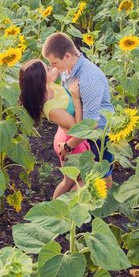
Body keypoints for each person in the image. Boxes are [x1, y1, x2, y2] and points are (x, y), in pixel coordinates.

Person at [41, 32, 115, 187]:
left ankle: (78, 207)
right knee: (85, 180)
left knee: (102, 180)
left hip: (98, 135)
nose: (53, 68)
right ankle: (74, 208)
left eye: (54, 63)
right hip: (78, 132)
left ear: (67, 56)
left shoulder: (88, 79)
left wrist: (68, 146)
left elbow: (91, 126)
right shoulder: (68, 69)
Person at [19, 58, 91, 199]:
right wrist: (76, 99)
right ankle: (66, 207)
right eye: (47, 68)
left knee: (69, 181)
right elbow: (78, 128)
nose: (51, 68)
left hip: (64, 136)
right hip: (72, 143)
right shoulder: (52, 109)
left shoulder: (48, 87)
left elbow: (57, 69)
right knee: (85, 178)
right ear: (42, 79)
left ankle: (56, 208)